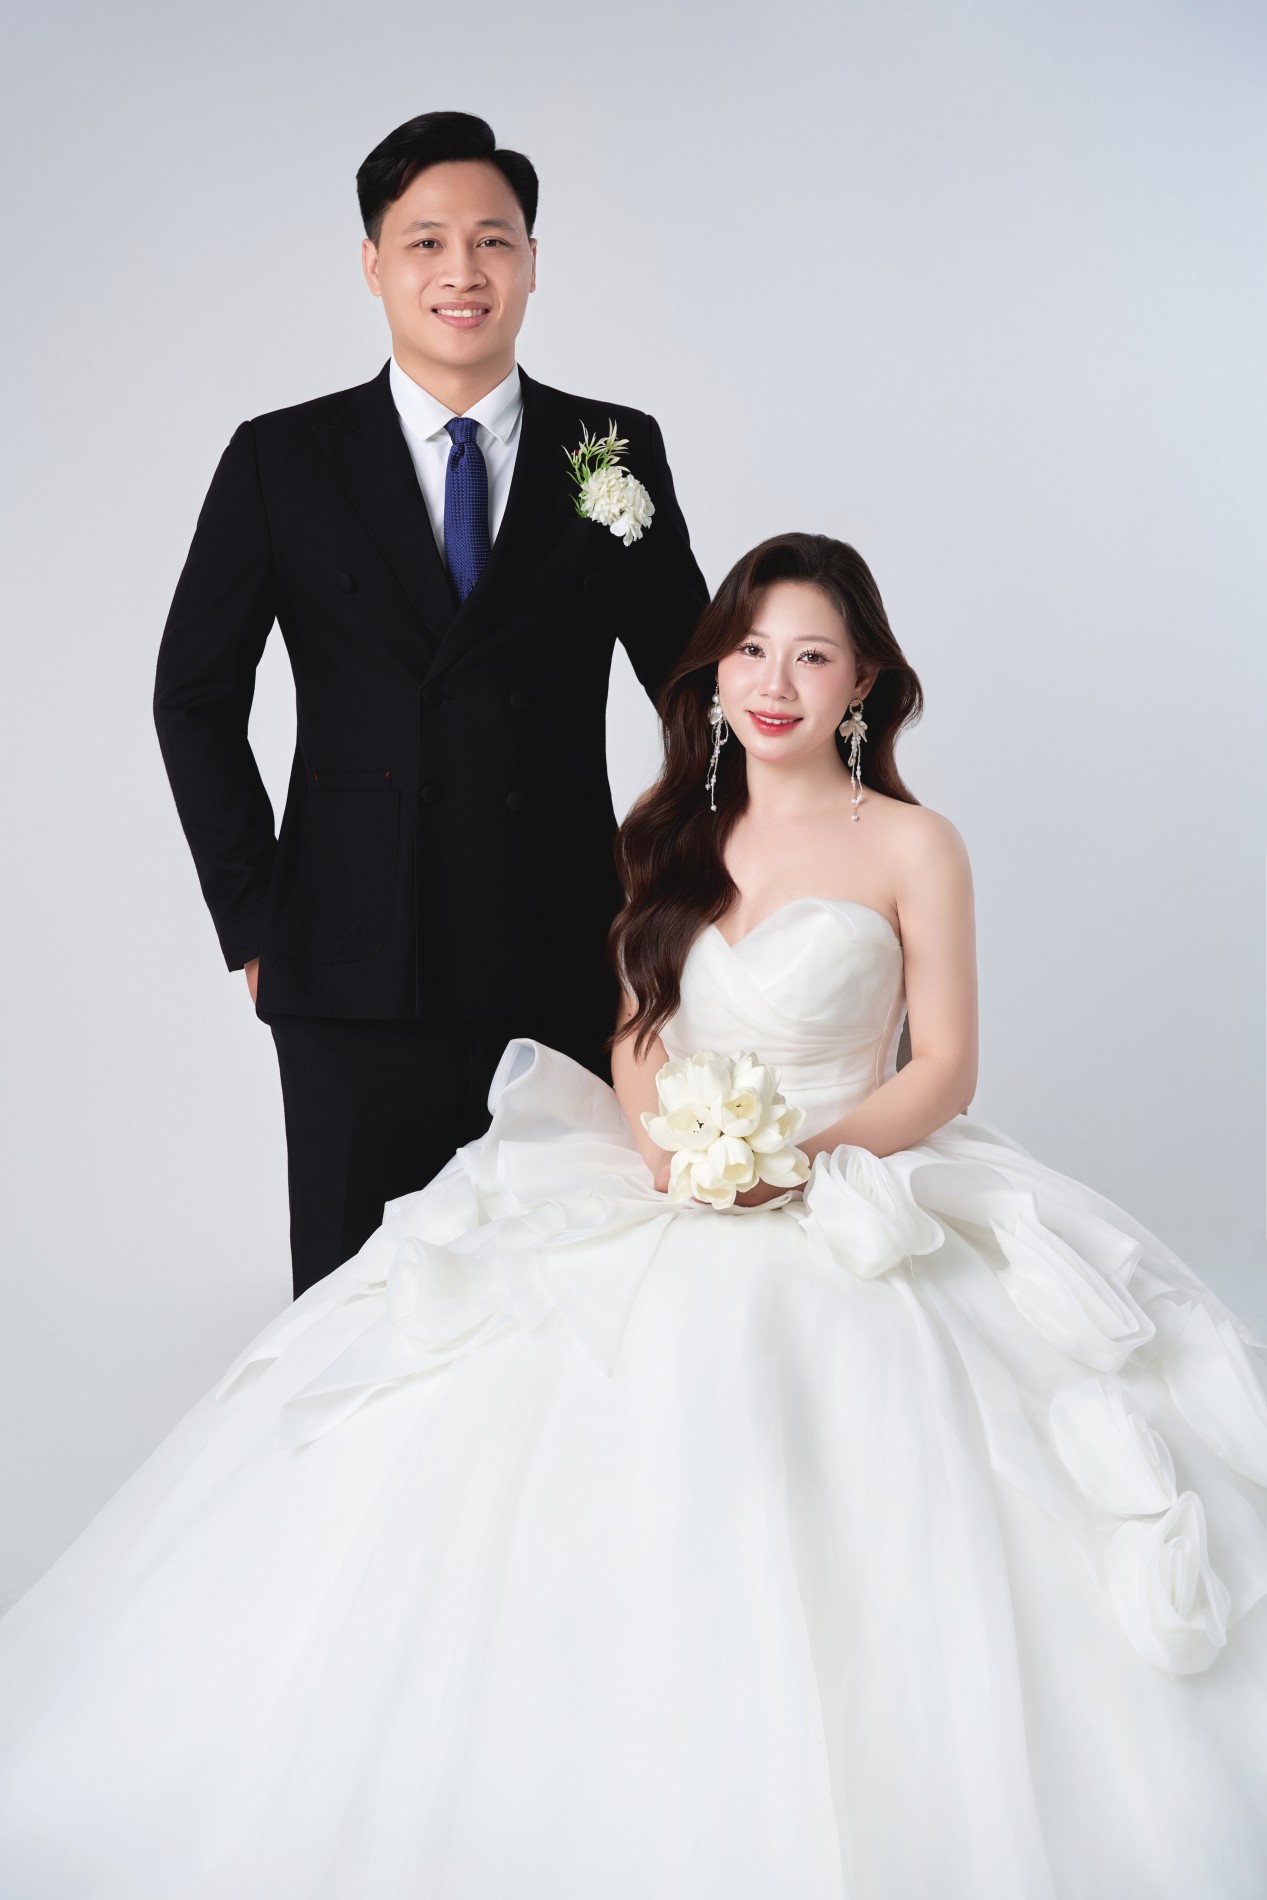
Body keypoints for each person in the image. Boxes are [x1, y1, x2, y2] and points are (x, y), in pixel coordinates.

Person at [4, 531, 1266, 1898]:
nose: (772, 683)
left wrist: (802, 1157)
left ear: (862, 684)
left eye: (810, 657)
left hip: (847, 1168)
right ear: (713, 671)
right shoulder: (670, 830)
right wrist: (674, 1148)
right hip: (667, 1170)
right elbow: (636, 1029)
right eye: (748, 651)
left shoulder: (914, 845)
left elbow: (945, 1068)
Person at [152, 110, 708, 1299]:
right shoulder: (281, 459)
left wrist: (689, 896)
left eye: (493, 241)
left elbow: (695, 694)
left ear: (532, 261)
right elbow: (193, 697)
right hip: (349, 959)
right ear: (373, 263)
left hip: (564, 950)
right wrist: (255, 918)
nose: (463, 272)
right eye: (427, 243)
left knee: (565, 1303)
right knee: (357, 1304)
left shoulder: (612, 450)